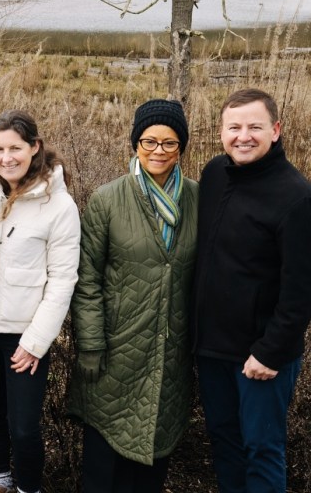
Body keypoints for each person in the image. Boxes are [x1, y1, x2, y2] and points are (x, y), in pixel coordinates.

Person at [68, 99, 198, 492]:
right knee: (103, 465)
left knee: (152, 464)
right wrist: (91, 343)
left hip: (171, 354)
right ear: (135, 144)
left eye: (169, 143)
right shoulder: (107, 199)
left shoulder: (198, 198)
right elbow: (87, 278)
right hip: (116, 351)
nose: (159, 151)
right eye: (149, 141)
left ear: (181, 147)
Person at [193, 88, 311, 493]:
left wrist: (270, 352)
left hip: (260, 356)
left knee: (262, 450)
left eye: (255, 127)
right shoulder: (214, 173)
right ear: (221, 132)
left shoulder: (296, 197)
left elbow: (301, 290)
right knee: (225, 442)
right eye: (234, 127)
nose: (243, 136)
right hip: (212, 349)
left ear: (275, 130)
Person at [0, 110, 80, 493]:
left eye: (16, 148)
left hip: (23, 338)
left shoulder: (59, 207)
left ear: (35, 147)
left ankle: (28, 487)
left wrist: (35, 342)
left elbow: (62, 280)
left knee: (24, 426)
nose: (7, 157)